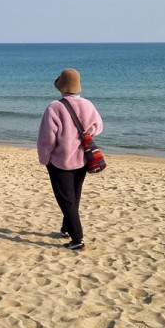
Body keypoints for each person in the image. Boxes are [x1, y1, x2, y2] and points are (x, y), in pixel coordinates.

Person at [37, 68, 104, 252]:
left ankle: (78, 240)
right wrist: (84, 133)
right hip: (82, 159)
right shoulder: (88, 104)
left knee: (66, 199)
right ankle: (66, 229)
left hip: (60, 161)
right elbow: (98, 127)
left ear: (61, 87)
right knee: (74, 196)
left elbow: (46, 139)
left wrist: (44, 159)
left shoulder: (54, 107)